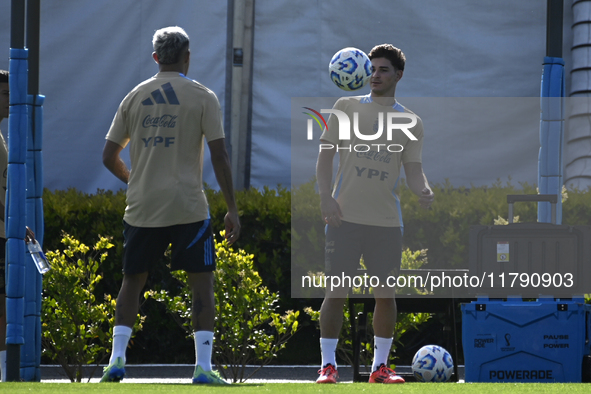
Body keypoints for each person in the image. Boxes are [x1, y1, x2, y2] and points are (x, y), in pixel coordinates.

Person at [101, 26, 240, 384]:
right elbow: (220, 155)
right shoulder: (202, 96)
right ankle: (203, 368)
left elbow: (108, 156)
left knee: (131, 282)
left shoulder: (134, 96)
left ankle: (116, 361)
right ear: (187, 56)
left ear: (155, 58)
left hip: (143, 206)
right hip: (188, 207)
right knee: (201, 285)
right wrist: (232, 208)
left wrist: (136, 181)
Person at [315, 44, 434, 384]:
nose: (375, 75)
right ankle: (328, 367)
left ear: (398, 75)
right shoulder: (345, 107)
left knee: (385, 295)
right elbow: (325, 158)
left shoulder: (411, 122)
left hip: (386, 223)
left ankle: (379, 368)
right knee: (336, 292)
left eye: (383, 70)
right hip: (344, 218)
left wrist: (423, 189)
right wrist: (326, 197)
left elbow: (413, 171)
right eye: (373, 69)